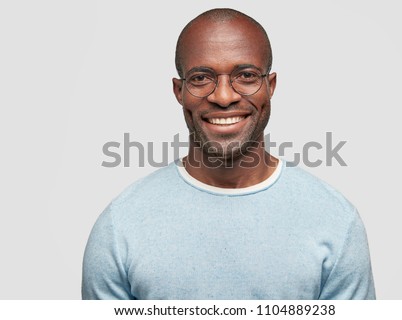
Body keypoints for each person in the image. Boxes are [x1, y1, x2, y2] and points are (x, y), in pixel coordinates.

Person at [82, 8, 375, 300]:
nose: (223, 97)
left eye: (246, 76)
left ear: (270, 86)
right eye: (201, 78)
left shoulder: (335, 220)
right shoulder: (120, 228)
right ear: (178, 91)